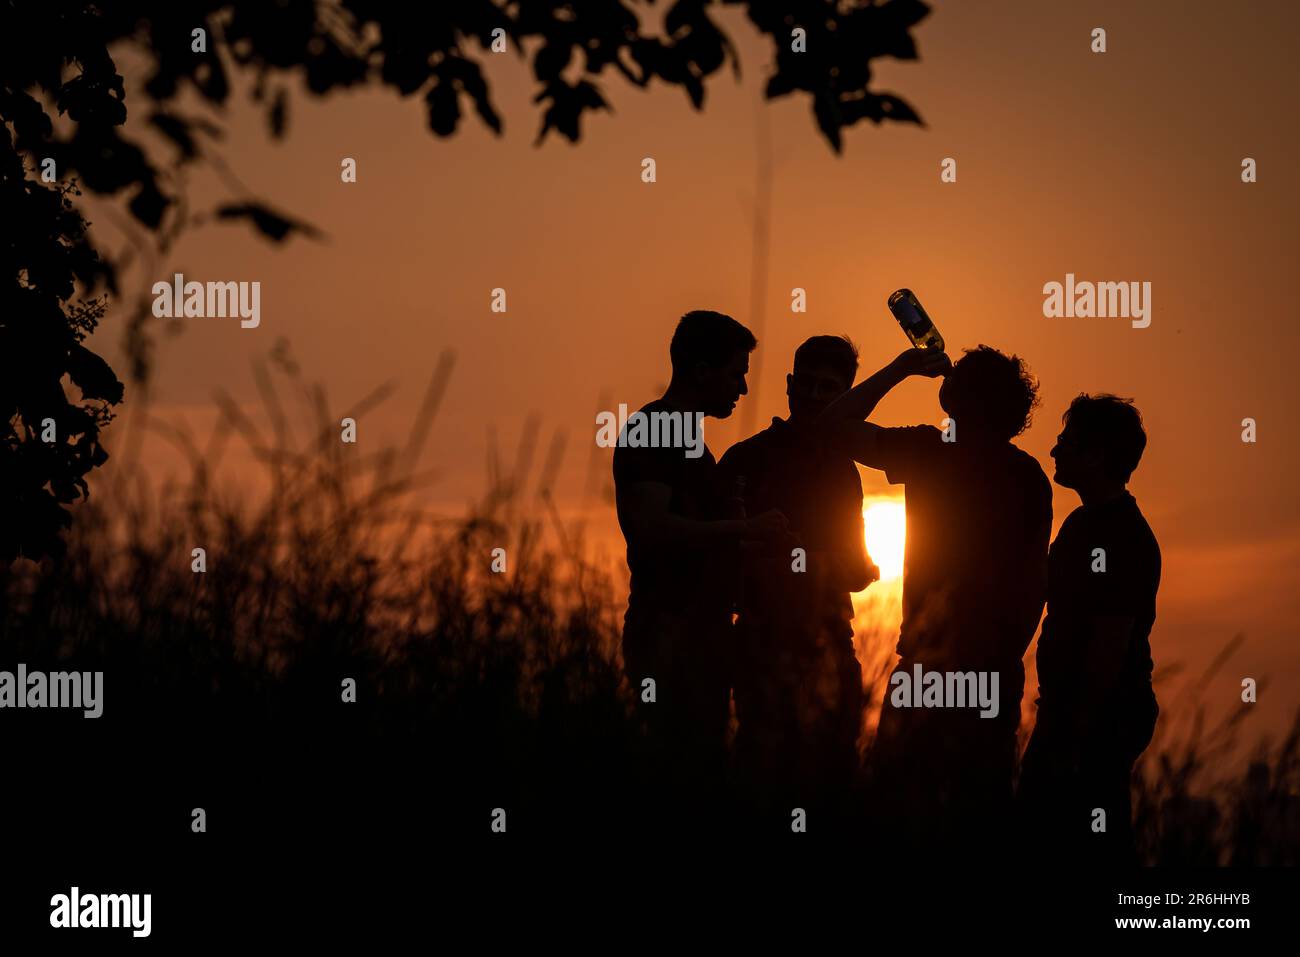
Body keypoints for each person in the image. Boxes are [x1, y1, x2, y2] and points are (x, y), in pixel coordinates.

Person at [823, 344, 1052, 852]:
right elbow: (1035, 581)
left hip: (927, 664)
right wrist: (1005, 649)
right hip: (992, 664)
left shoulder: (930, 451)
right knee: (981, 815)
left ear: (959, 398)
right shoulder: (1027, 475)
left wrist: (901, 368)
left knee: (894, 810)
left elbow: (831, 426)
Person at [611, 310, 789, 828]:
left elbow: (694, 537)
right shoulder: (655, 430)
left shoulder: (689, 442)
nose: (743, 386)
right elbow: (650, 526)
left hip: (703, 634)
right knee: (676, 778)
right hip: (668, 630)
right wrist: (742, 529)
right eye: (736, 373)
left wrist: (757, 542)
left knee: (704, 771)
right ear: (700, 370)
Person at [718, 335, 879, 824]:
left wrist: (802, 555)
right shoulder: (743, 460)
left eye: (827, 388)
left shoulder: (843, 471)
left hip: (828, 641)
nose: (811, 395)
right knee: (760, 778)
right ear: (788, 385)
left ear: (844, 395)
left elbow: (857, 570)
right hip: (760, 640)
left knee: (831, 784)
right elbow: (715, 561)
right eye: (805, 384)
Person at [1018, 394, 1161, 865]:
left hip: (1099, 716)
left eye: (1066, 442)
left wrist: (1075, 735)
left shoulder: (1124, 536)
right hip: (1068, 711)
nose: (1055, 451)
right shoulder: (1081, 523)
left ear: (1096, 455)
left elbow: (1109, 649)